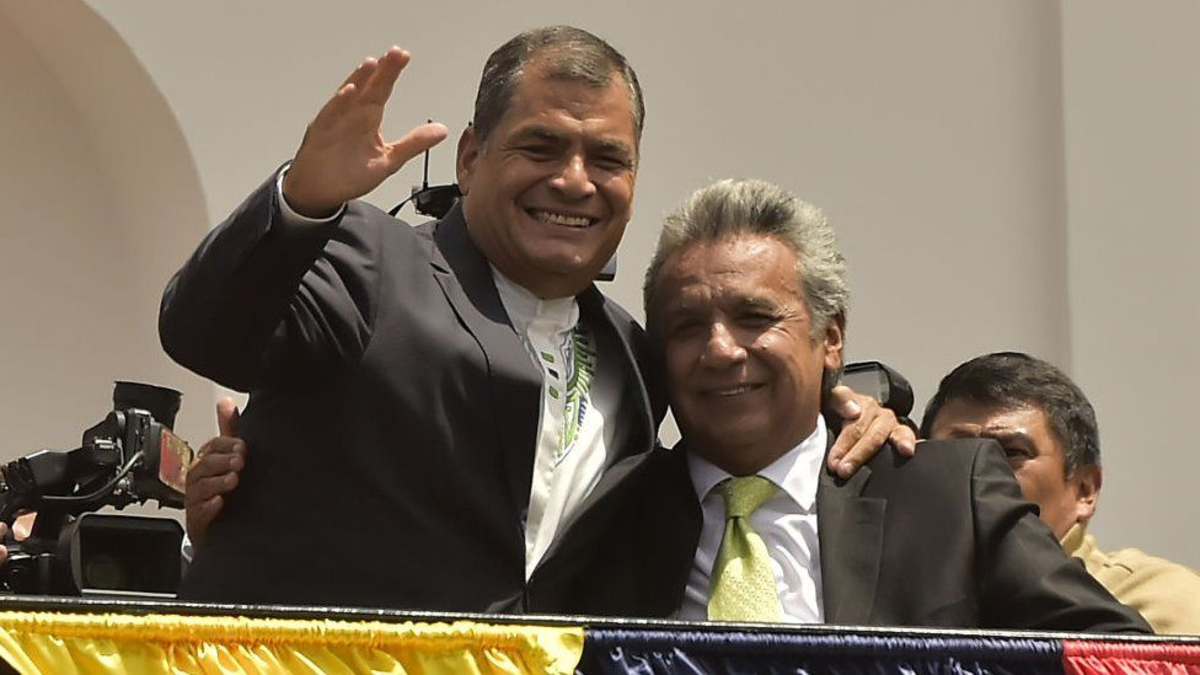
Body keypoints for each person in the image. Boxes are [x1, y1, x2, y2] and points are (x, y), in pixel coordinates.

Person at [161, 26, 910, 611]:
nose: (574, 181)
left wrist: (842, 406)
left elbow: (737, 409)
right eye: (541, 147)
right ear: (469, 158)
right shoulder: (369, 258)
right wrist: (302, 202)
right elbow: (204, 332)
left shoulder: (635, 353)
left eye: (606, 158)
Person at [532, 179, 1151, 632]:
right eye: (687, 326)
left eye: (755, 318)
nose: (720, 349)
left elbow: (1117, 652)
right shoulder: (610, 516)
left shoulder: (945, 494)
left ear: (830, 338)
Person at [921, 351, 1200, 634]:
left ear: (1085, 490)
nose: (976, 474)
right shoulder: (910, 593)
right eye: (954, 452)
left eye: (1011, 453)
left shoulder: (1162, 600)